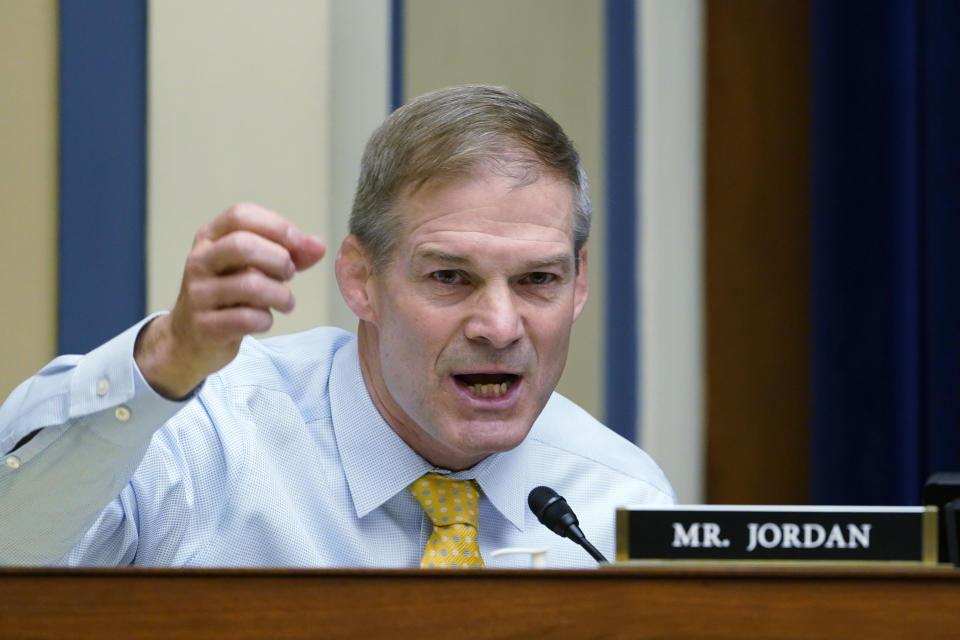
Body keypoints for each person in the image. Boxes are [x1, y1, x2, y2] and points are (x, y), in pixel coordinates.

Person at [0, 85, 674, 568]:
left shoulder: (617, 501)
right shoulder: (213, 441)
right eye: (448, 277)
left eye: (538, 280)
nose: (500, 327)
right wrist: (168, 357)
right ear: (360, 279)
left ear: (579, 282)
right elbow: (15, 542)